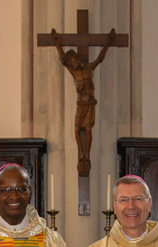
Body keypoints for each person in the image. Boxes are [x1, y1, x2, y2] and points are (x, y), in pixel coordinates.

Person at [51, 28, 116, 175]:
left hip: (90, 104)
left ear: (77, 59)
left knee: (88, 129)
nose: (73, 65)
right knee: (76, 129)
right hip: (81, 104)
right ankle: (81, 155)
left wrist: (108, 43)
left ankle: (87, 156)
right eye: (71, 64)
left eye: (73, 61)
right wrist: (57, 44)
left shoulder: (88, 68)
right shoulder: (75, 73)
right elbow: (63, 61)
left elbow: (100, 58)